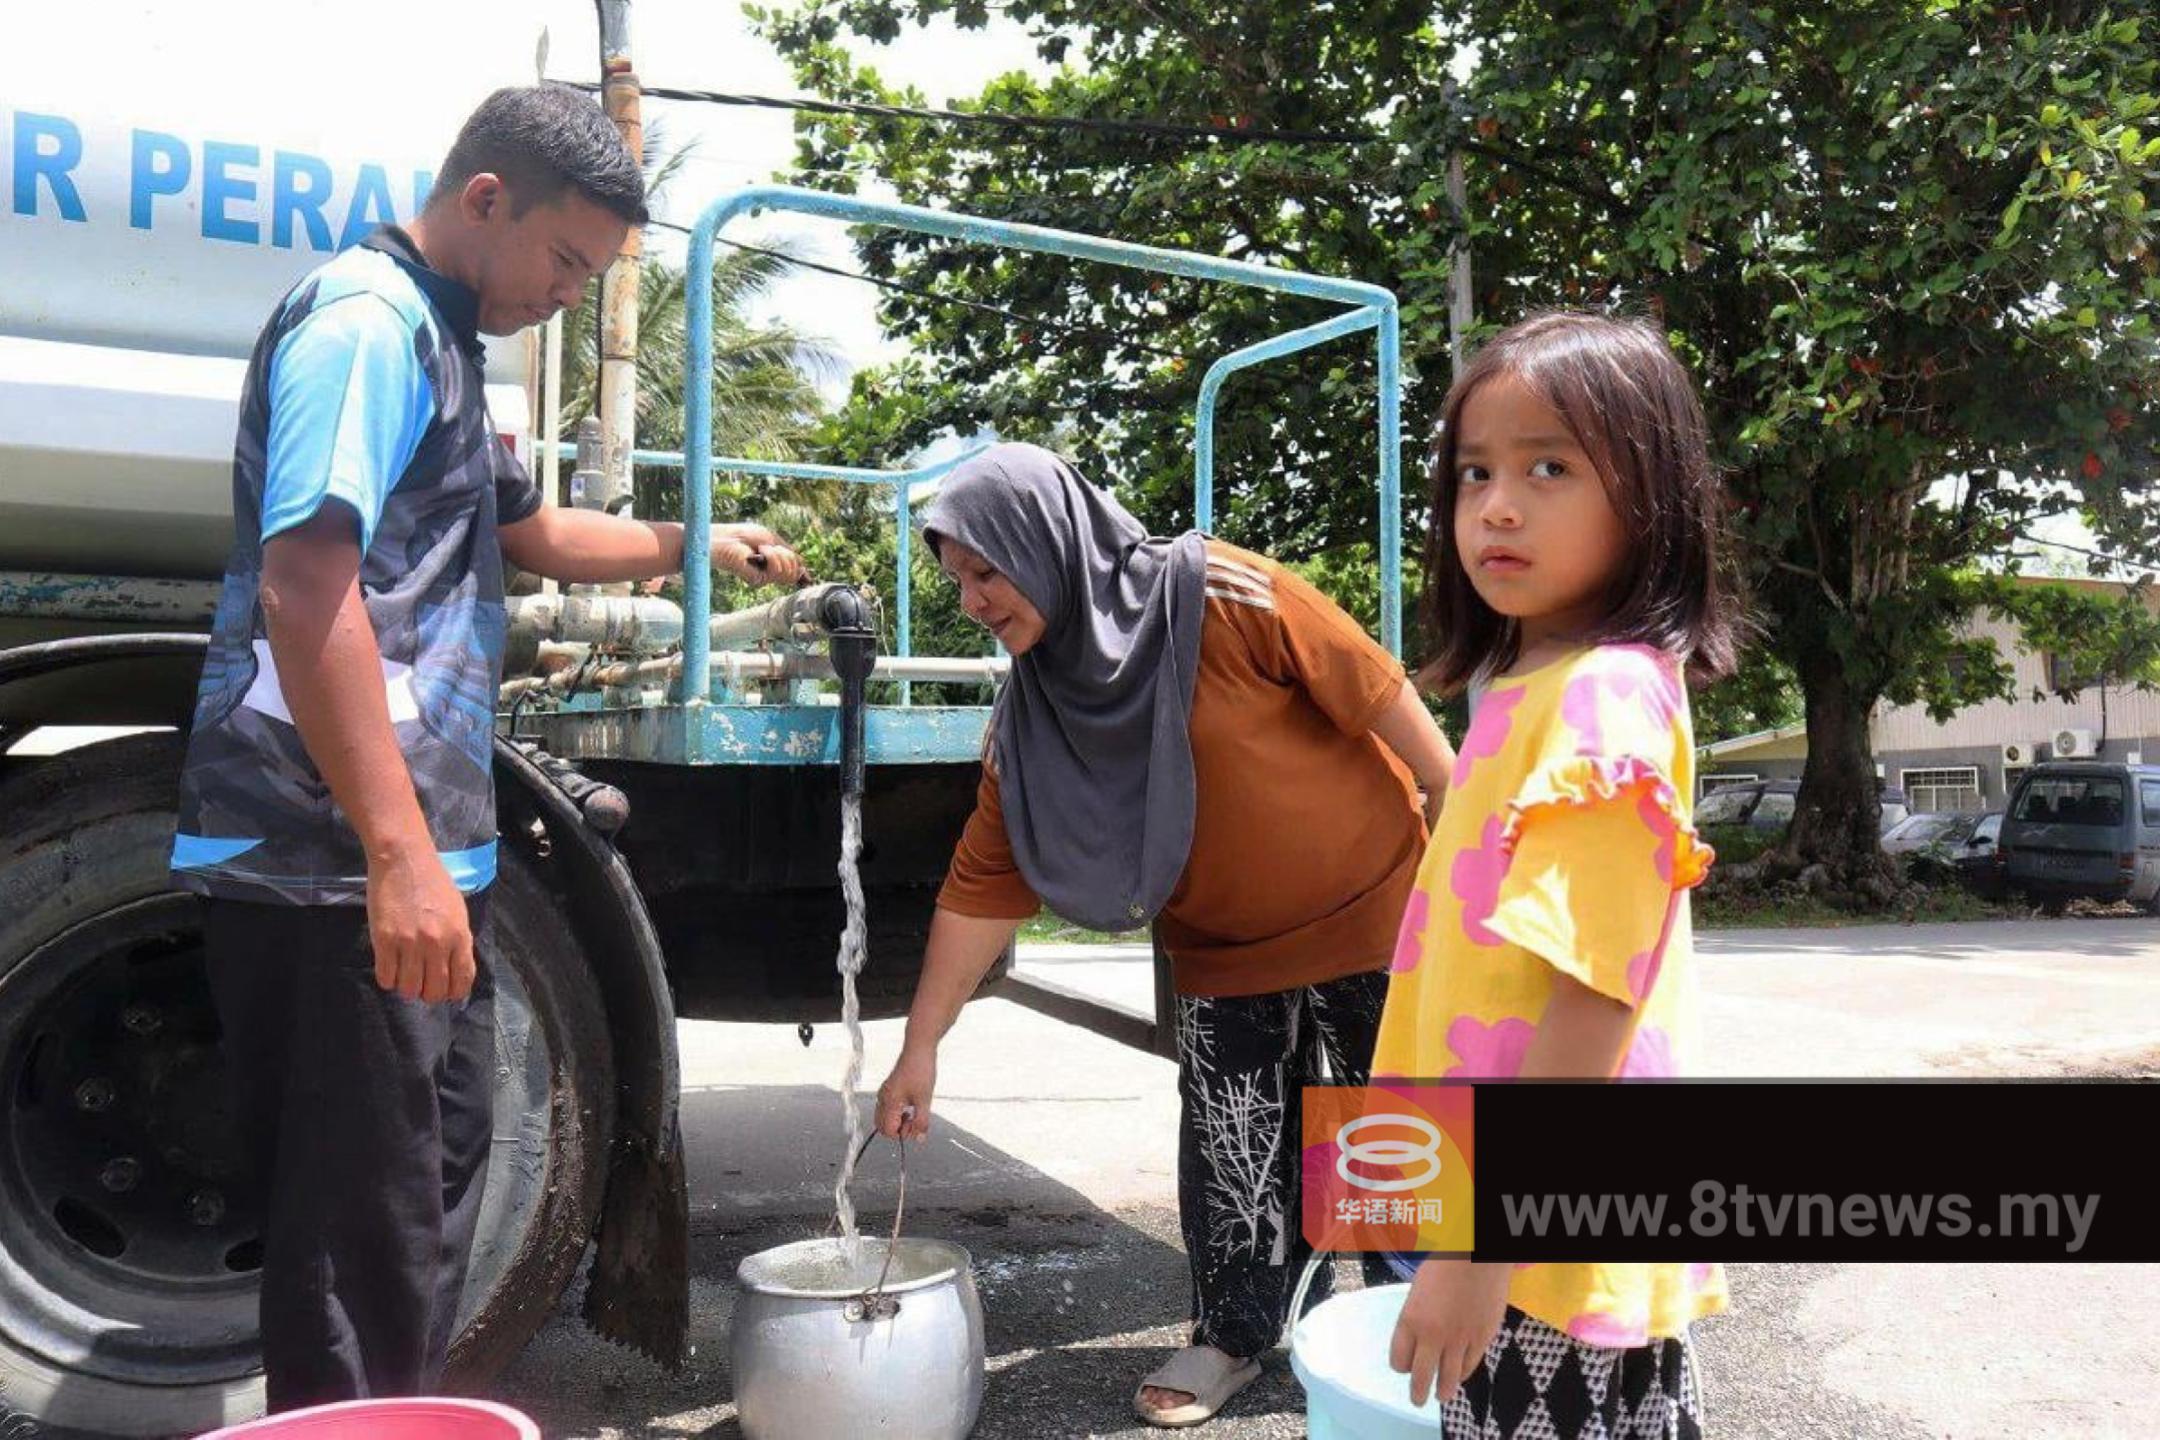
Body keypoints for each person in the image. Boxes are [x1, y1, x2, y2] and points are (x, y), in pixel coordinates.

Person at [168, 85, 802, 1410]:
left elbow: (532, 532)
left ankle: (394, 1417)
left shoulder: (449, 343)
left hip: (401, 856)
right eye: (567, 260)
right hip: (326, 858)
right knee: (360, 1240)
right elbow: (306, 588)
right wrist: (397, 856)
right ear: (484, 199)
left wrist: (697, 546)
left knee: (419, 1202)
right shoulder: (367, 325)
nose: (573, 293)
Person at [870, 442, 1455, 1428]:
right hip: (1223, 950)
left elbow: (1381, 695)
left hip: (1378, 908)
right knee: (1235, 1142)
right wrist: (918, 1047)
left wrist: (1464, 855)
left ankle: (1418, 1331)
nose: (970, 598)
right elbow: (982, 888)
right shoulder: (1030, 719)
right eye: (956, 577)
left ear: (1046, 541)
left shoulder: (1224, 591)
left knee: (1391, 1138)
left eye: (984, 568)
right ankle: (1233, 1337)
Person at [1377, 311, 1739, 1436]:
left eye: (1550, 467)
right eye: (1475, 470)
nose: (1496, 505)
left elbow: (1595, 985)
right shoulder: (1535, 686)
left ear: (1653, 496)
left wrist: (1483, 1245)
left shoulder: (1606, 695)